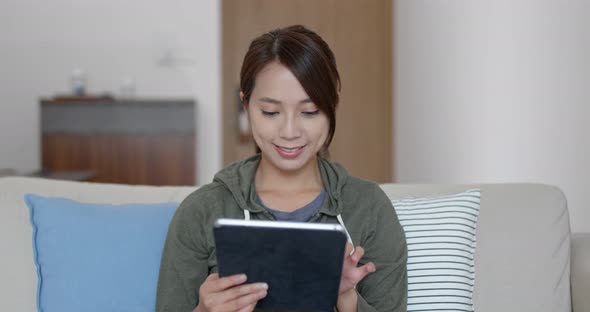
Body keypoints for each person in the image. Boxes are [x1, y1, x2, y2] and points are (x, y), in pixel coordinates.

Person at [156, 25, 407, 312]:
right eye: (271, 112)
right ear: (246, 106)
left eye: (309, 111)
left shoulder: (369, 208)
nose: (289, 131)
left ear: (331, 107)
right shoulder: (201, 211)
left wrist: (346, 299)